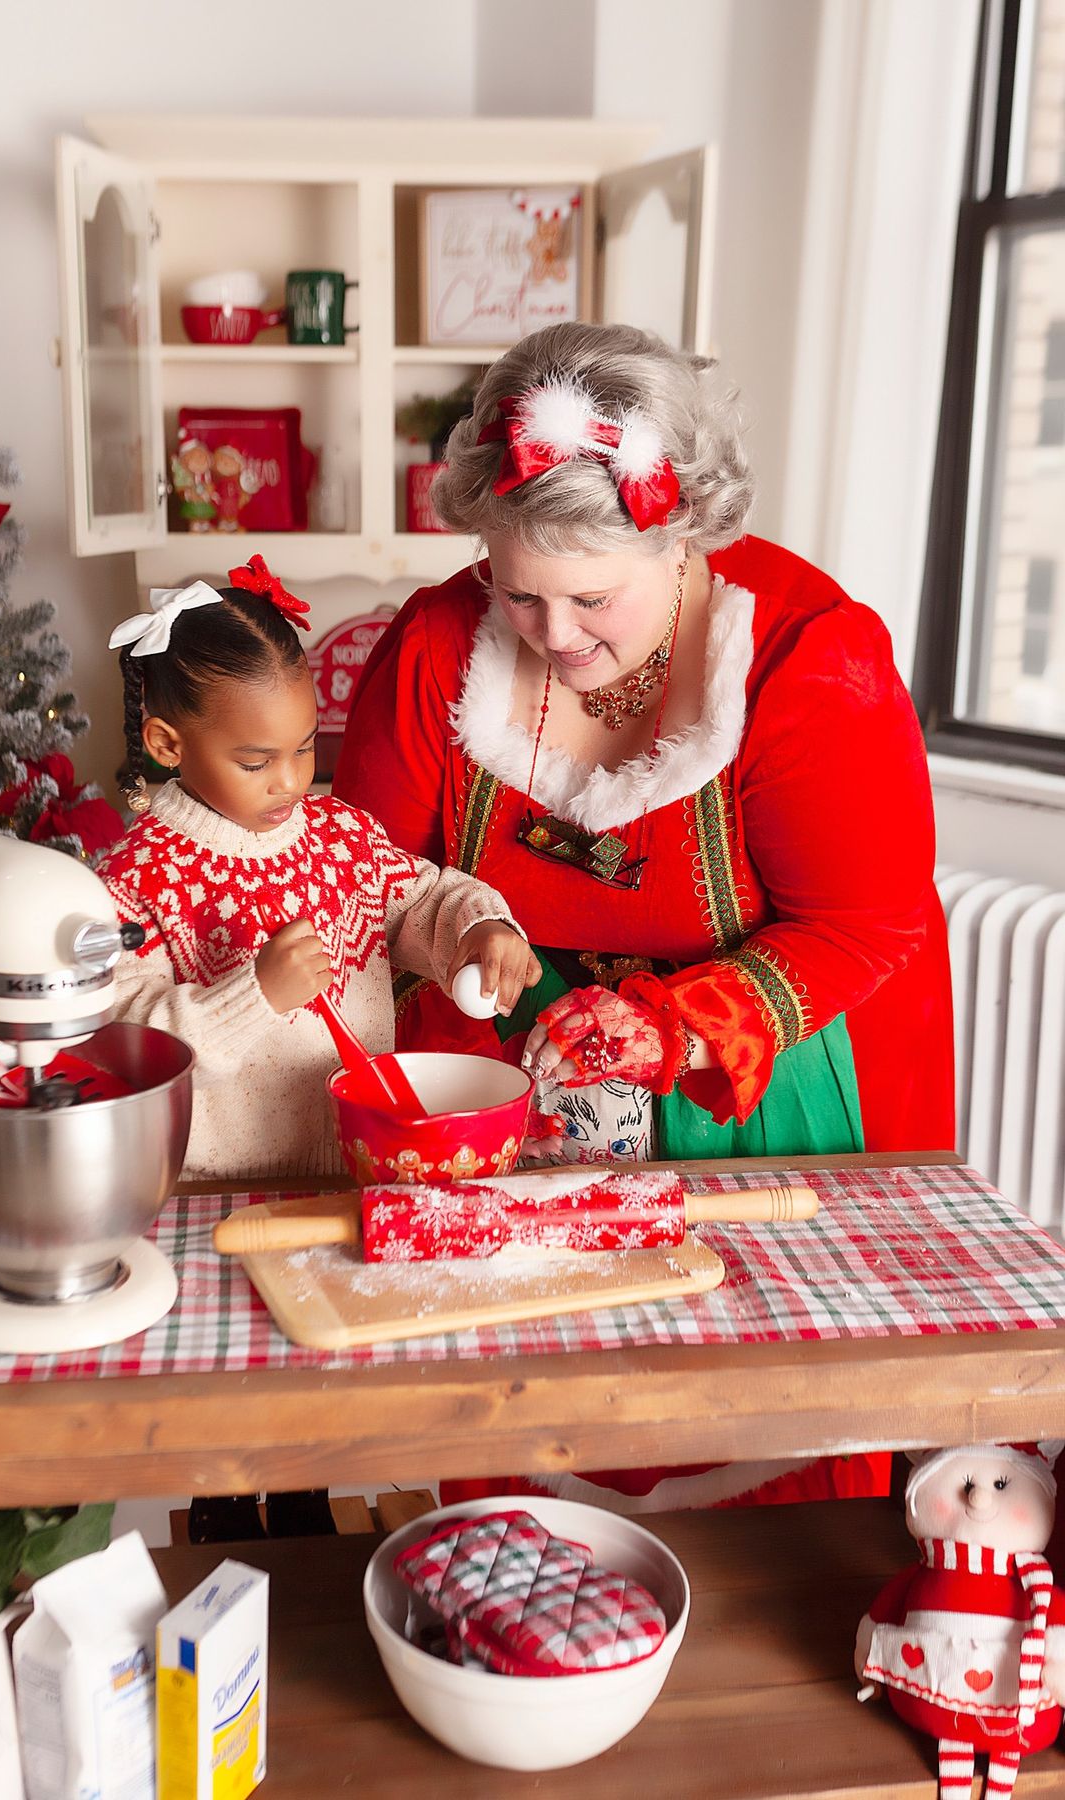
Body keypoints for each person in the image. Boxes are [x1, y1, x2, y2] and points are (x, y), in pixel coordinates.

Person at [335, 322, 954, 1509]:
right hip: (507, 1100)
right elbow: (363, 875)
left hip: (754, 1083)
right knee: (512, 1439)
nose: (554, 635)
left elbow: (867, 926)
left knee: (760, 1448)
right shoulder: (431, 650)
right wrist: (455, 941)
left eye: (591, 598)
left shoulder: (807, 664)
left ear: (681, 536)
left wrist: (677, 1025)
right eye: (517, 592)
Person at [98, 554, 539, 1185]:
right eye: (256, 763)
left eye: (304, 748)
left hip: (360, 1167)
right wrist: (253, 997)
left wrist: (477, 931)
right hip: (220, 1190)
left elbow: (424, 901)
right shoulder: (137, 878)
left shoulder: (340, 839)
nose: (289, 781)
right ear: (168, 744)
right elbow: (122, 1043)